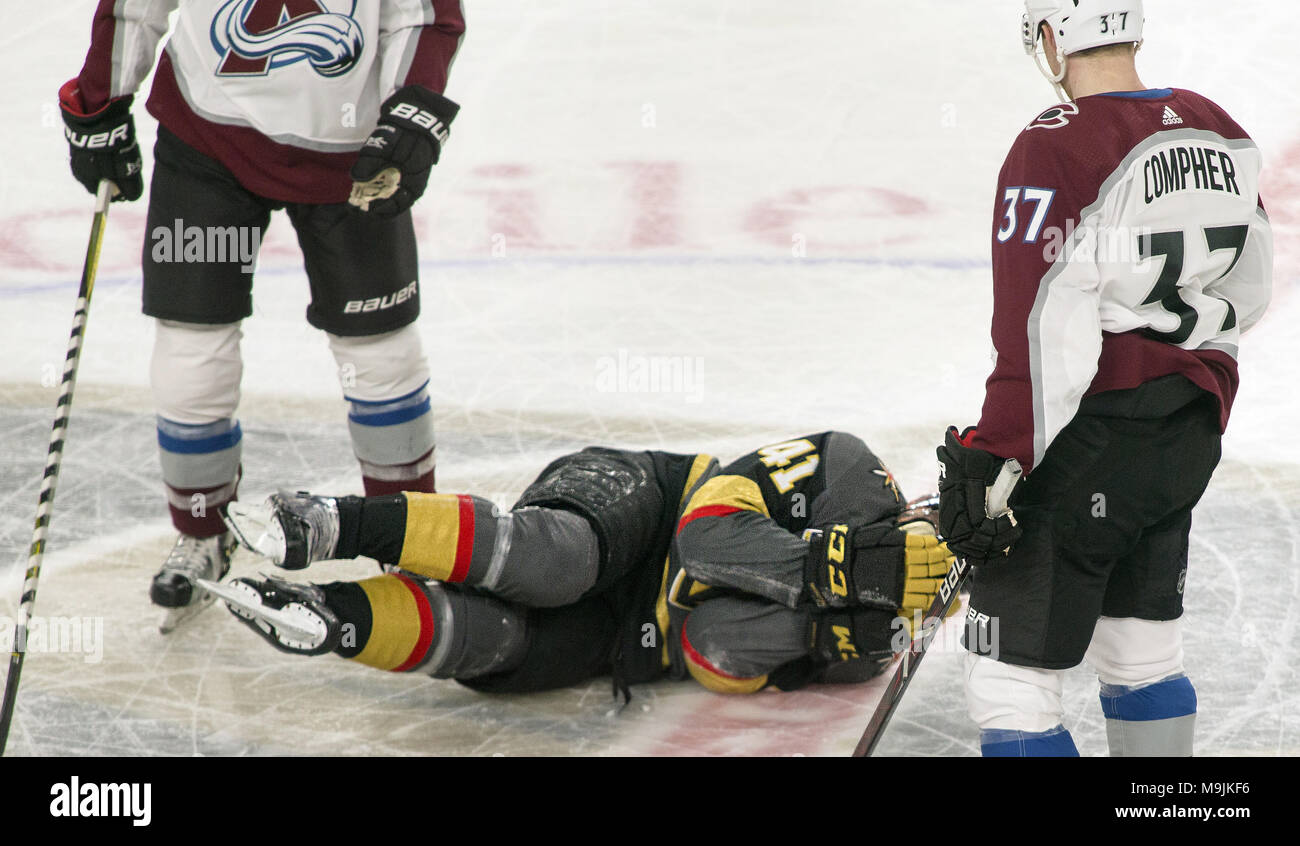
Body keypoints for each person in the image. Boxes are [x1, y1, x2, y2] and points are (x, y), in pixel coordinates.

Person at [58, 1, 466, 632]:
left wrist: (411, 111)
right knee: (191, 356)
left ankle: (409, 536)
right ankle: (203, 530)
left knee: (380, 353)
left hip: (350, 161)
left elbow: (422, 13)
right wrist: (100, 101)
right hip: (208, 145)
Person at [935, 0, 1272, 756]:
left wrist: (998, 455)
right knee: (1144, 655)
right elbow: (1249, 290)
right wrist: (1192, 391)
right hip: (1184, 436)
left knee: (1010, 686)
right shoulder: (1217, 125)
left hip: (1089, 441)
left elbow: (1043, 326)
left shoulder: (1053, 144)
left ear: (1051, 41)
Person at [209, 432, 954, 697]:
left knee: (493, 646)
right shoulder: (850, 468)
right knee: (554, 561)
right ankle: (331, 522)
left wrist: (817, 627)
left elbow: (713, 652)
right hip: (652, 506)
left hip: (641, 642)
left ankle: (332, 622)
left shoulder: (874, 647)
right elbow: (702, 534)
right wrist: (833, 573)